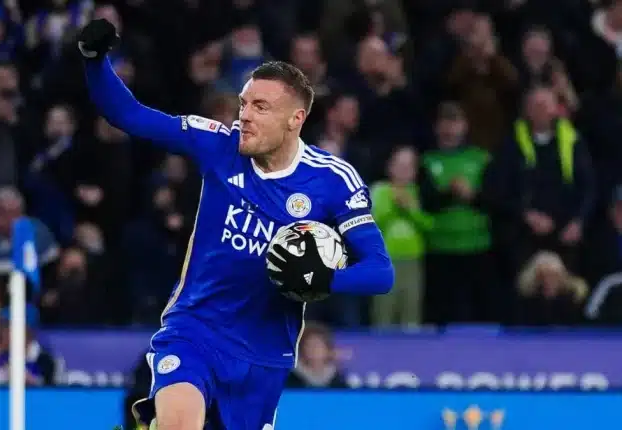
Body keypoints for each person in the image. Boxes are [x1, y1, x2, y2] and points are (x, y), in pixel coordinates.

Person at [77, 18, 394, 430]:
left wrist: (322, 279)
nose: (244, 116)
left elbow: (380, 271)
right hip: (196, 330)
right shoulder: (218, 146)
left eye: (260, 107)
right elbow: (128, 114)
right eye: (244, 104)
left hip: (264, 357)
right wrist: (94, 60)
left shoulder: (334, 180)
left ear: (295, 118)